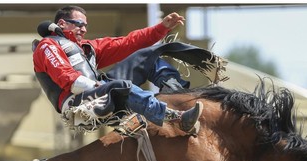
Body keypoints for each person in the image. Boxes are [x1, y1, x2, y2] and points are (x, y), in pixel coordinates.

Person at [32, 5, 203, 134]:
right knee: (120, 86)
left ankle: (177, 97)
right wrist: (99, 86)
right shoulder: (47, 45)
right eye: (79, 24)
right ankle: (175, 117)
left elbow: (127, 43)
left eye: (85, 25)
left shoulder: (87, 47)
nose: (84, 29)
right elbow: (68, 78)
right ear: (62, 23)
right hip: (76, 102)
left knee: (147, 57)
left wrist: (161, 28)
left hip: (98, 90)